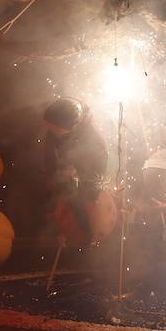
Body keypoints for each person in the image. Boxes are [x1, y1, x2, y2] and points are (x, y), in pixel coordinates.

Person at [41, 97, 108, 243]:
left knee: (78, 209)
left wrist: (74, 180)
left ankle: (84, 242)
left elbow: (95, 176)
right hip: (63, 178)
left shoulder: (94, 142)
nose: (49, 129)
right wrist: (54, 180)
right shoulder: (54, 130)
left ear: (70, 126)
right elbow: (49, 159)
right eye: (48, 126)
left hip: (84, 186)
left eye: (53, 127)